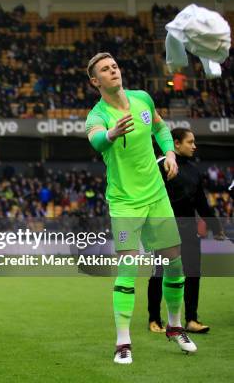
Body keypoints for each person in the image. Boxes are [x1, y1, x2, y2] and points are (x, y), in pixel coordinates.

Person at [85, 52, 197, 364]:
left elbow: (161, 129)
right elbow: (96, 142)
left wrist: (171, 153)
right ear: (96, 81)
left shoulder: (142, 99)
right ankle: (123, 343)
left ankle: (174, 325)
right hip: (124, 202)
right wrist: (112, 133)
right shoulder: (97, 115)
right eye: (105, 70)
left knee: (175, 263)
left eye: (114, 66)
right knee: (128, 269)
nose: (113, 71)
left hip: (157, 196)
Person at [147, 128, 226, 334]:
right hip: (164, 229)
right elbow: (148, 198)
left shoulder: (193, 171)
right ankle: (154, 318)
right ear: (176, 143)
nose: (194, 146)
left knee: (193, 273)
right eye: (190, 142)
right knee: (160, 272)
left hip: (189, 230)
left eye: (194, 142)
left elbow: (201, 203)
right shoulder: (160, 166)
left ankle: (191, 319)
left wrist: (216, 228)